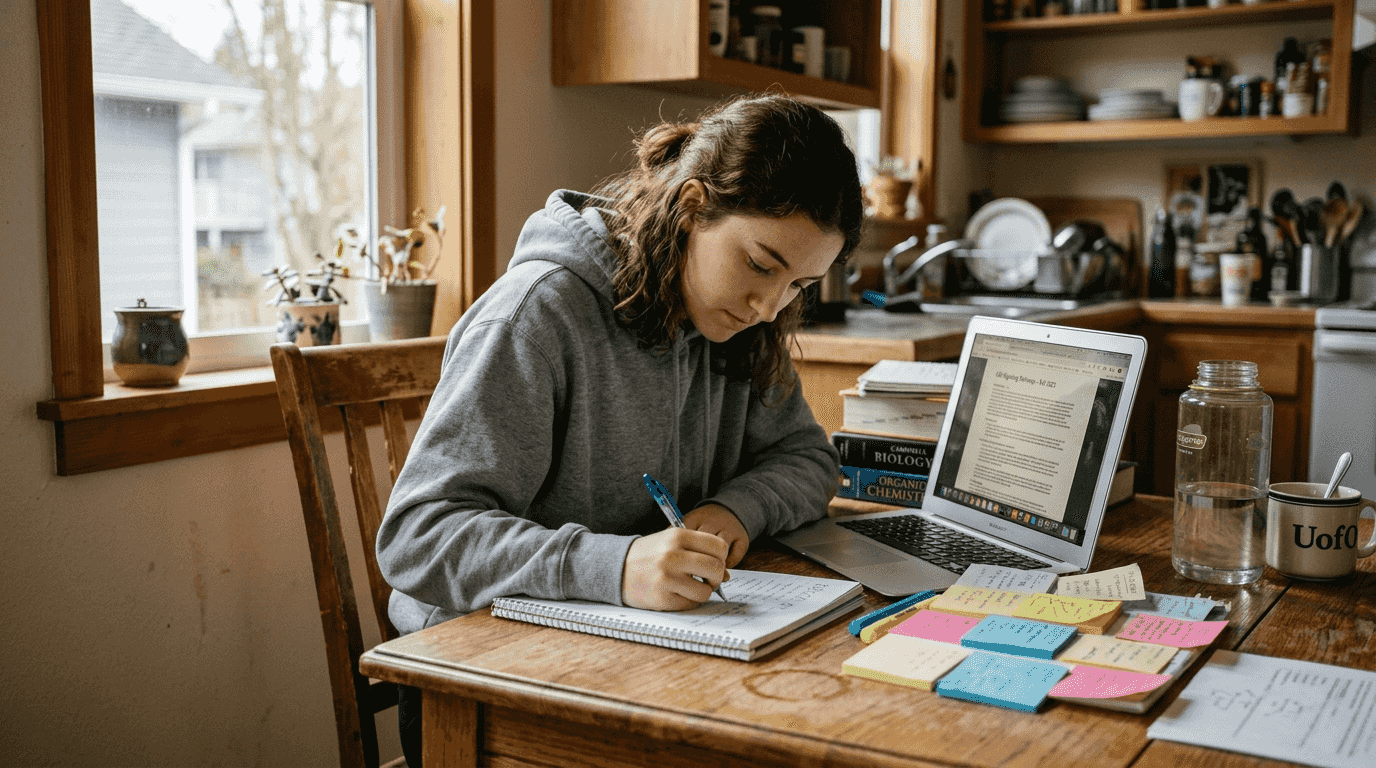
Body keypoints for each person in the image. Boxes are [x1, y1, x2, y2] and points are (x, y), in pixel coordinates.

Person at [375, 93, 864, 765]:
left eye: (800, 286)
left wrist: (735, 510)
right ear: (692, 206)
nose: (769, 305)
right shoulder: (536, 315)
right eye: (760, 264)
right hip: (484, 679)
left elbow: (809, 458)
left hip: (638, 655)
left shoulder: (739, 323)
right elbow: (419, 538)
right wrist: (616, 565)